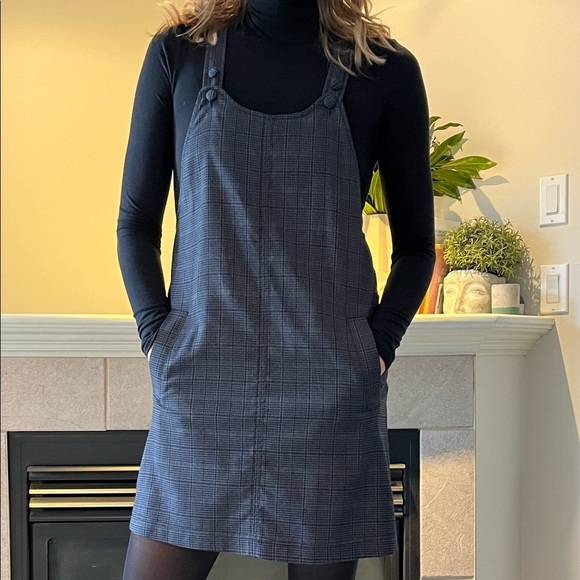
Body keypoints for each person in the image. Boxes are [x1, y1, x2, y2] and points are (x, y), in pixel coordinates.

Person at [116, 0, 435, 578]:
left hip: (328, 398)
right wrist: (157, 339)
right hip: (200, 388)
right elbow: (136, 223)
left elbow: (416, 249)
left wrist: (376, 350)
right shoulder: (179, 53)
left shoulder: (384, 70)